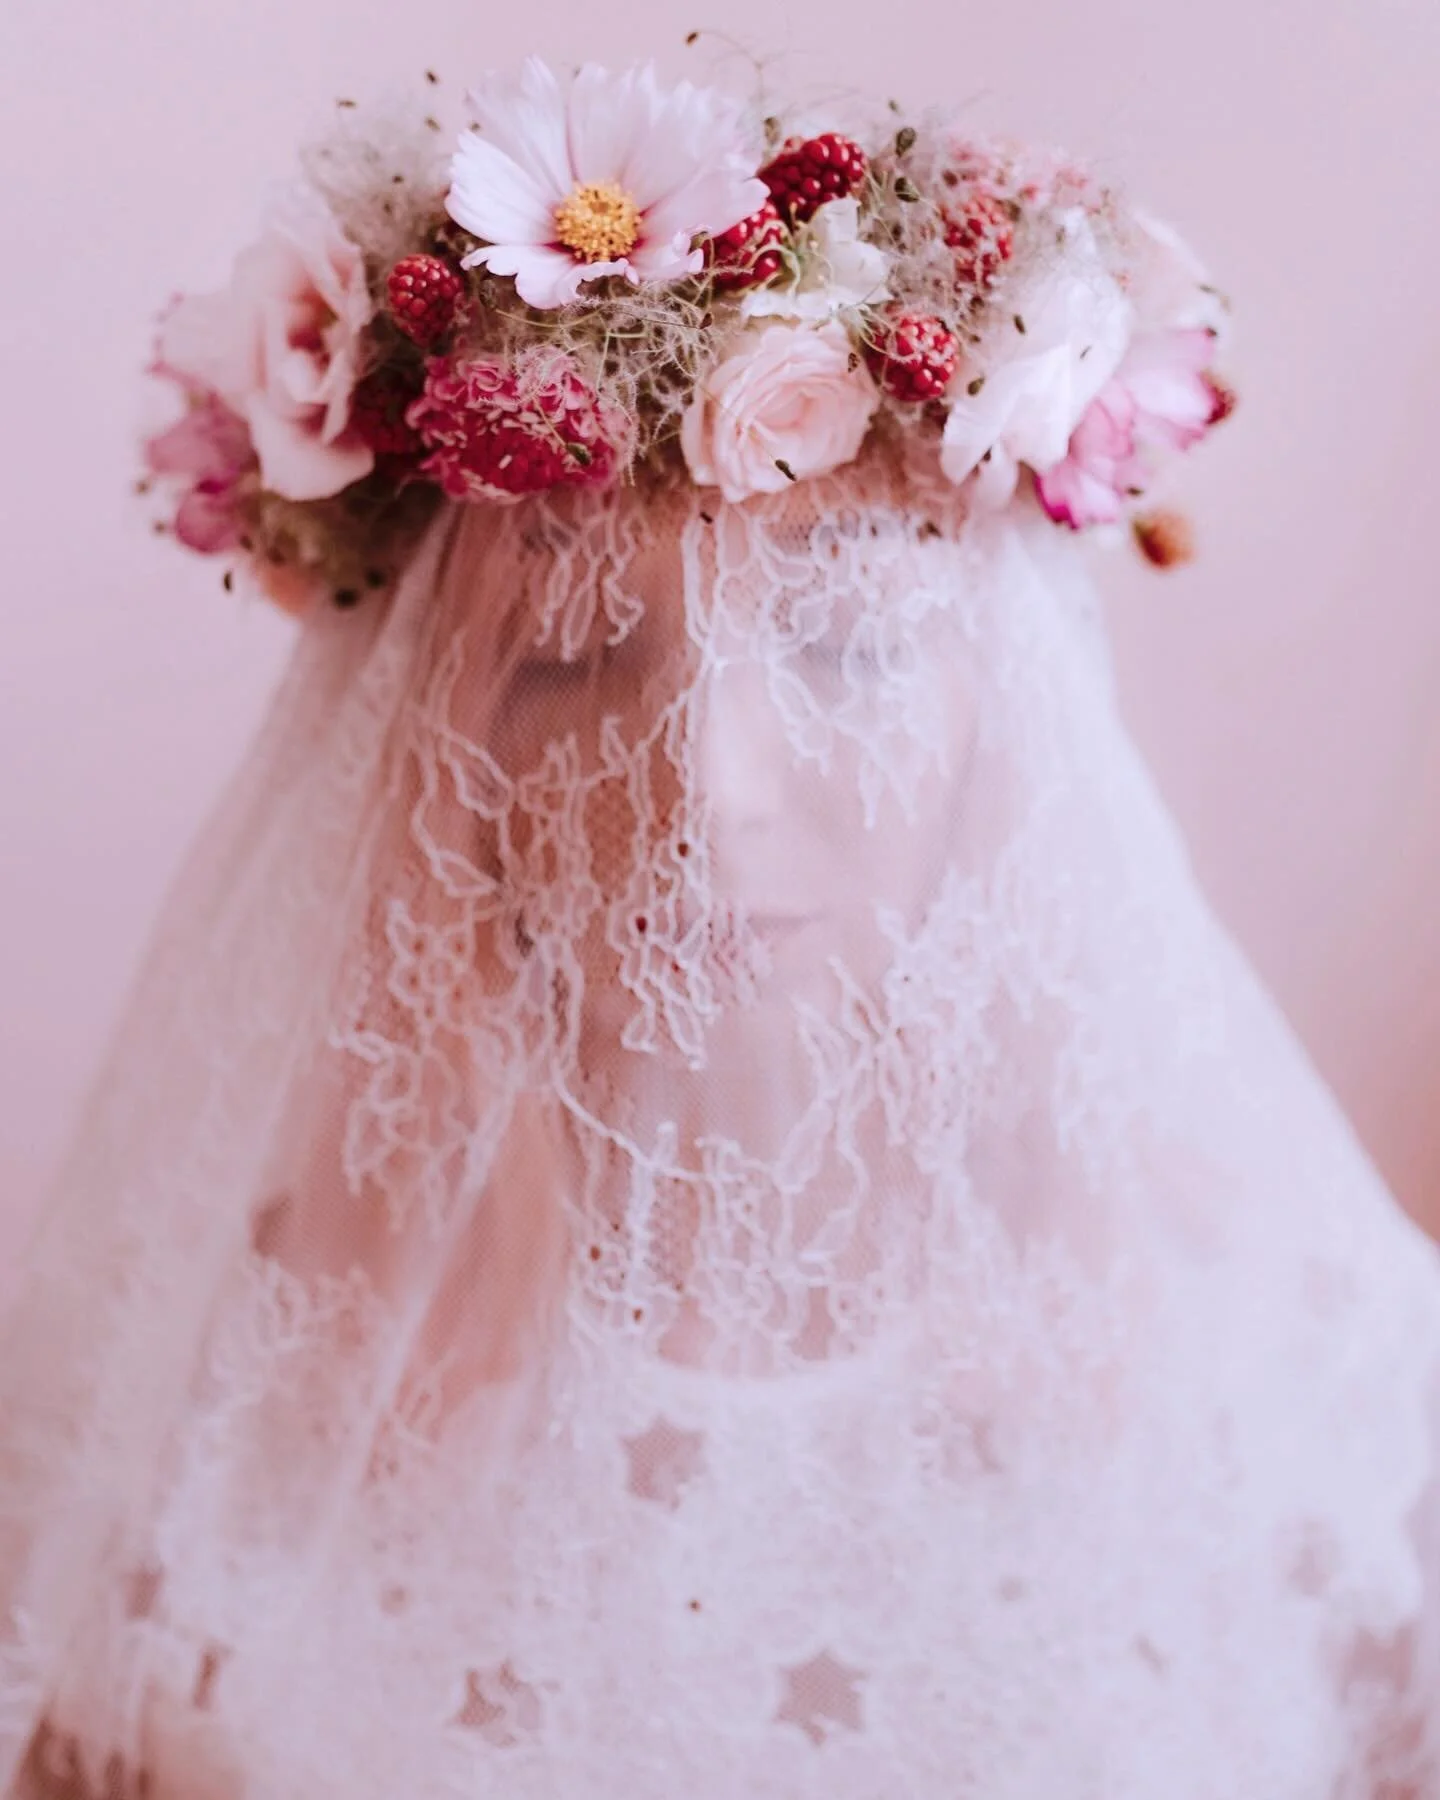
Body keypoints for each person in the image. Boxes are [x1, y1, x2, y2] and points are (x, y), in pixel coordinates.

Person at [4, 53, 1439, 1800]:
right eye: (577, 654)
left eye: (842, 655)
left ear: (1004, 720)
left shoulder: (1305, 1387)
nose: (707, 795)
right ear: (434, 745)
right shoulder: (198, 1411)